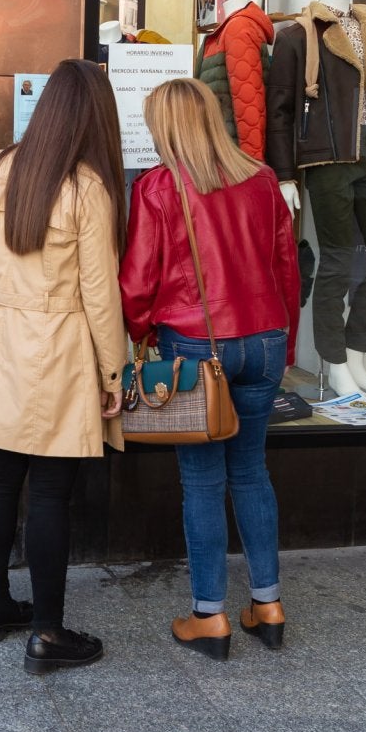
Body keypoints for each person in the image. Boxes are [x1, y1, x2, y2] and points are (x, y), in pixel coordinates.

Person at [0, 59, 127, 674]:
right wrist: (115, 374)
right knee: (50, 491)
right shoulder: (87, 188)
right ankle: (48, 632)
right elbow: (101, 296)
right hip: (55, 346)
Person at [119, 77, 300, 661]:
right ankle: (267, 605)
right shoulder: (263, 180)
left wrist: (142, 334)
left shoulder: (157, 188)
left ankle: (210, 616)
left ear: (165, 127)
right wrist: (286, 345)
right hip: (265, 338)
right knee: (252, 471)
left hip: (197, 346)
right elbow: (286, 268)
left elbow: (138, 284)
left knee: (202, 481)